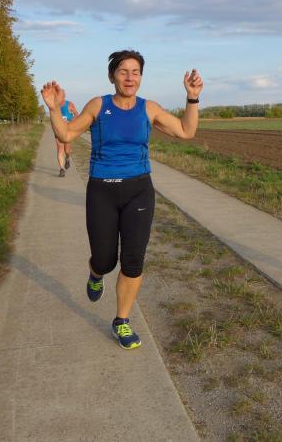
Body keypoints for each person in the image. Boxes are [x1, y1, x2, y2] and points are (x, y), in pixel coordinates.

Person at [40, 49, 204, 349]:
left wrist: (192, 98)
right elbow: (66, 135)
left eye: (135, 72)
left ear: (141, 77)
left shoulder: (148, 108)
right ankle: (95, 273)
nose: (130, 77)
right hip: (102, 190)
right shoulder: (98, 105)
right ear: (112, 76)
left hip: (139, 190)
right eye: (123, 71)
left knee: (133, 260)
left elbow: (186, 130)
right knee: (105, 260)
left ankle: (122, 321)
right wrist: (53, 109)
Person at [52, 99, 78, 177]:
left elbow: (76, 114)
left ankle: (67, 157)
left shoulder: (69, 104)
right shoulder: (54, 106)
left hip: (68, 130)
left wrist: (70, 122)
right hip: (58, 130)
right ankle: (62, 169)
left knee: (67, 150)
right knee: (60, 149)